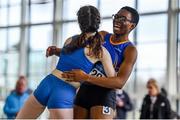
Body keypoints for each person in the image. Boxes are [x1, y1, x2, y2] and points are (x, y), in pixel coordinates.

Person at [16, 5, 116, 119]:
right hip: (64, 92)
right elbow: (113, 80)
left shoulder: (70, 40)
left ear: (79, 23)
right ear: (98, 22)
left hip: (47, 84)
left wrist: (55, 50)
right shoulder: (100, 51)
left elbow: (70, 57)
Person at [47, 6, 139, 119]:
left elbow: (119, 82)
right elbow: (80, 53)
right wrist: (58, 51)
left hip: (104, 94)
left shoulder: (130, 50)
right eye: (116, 17)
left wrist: (86, 77)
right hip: (84, 89)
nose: (117, 20)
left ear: (132, 26)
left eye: (123, 19)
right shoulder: (102, 35)